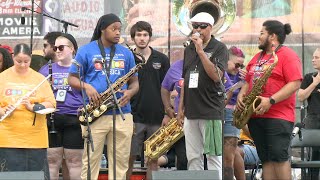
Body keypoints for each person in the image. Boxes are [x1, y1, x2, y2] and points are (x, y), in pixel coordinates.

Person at [68, 13, 139, 180]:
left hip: (122, 114)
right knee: (91, 161)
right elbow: (71, 78)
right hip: (94, 115)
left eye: (119, 30)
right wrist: (87, 86)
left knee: (120, 162)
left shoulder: (126, 53)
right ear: (102, 29)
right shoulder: (86, 51)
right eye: (113, 29)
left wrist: (130, 92)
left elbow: (135, 82)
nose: (117, 33)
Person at [236, 20, 303, 180]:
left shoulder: (287, 55)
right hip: (256, 117)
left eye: (262, 33)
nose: (259, 37)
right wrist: (241, 94)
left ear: (272, 36)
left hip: (278, 116)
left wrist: (270, 100)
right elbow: (248, 79)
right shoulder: (258, 57)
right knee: (265, 159)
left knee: (279, 158)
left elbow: (295, 83)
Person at [177, 12, 228, 179]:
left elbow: (216, 76)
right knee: (193, 157)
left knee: (213, 156)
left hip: (211, 111)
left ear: (211, 28)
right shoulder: (188, 49)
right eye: (195, 26)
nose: (198, 29)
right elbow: (185, 78)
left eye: (202, 26)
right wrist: (180, 108)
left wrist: (200, 51)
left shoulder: (219, 48)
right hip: (191, 111)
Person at [0, 43, 56, 180]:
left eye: (26, 61)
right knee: (10, 177)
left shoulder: (39, 79)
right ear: (13, 57)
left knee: (35, 176)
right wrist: (2, 110)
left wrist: (34, 107)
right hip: (8, 139)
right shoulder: (2, 77)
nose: (23, 65)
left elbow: (51, 104)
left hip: (35, 139)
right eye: (19, 61)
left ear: (31, 58)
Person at [126, 21, 170, 180]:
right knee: (128, 158)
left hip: (156, 117)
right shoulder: (127, 58)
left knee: (153, 160)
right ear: (133, 38)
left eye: (145, 35)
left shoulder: (162, 59)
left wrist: (167, 112)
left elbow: (168, 89)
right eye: (138, 35)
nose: (142, 38)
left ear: (150, 37)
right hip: (133, 117)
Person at [39, 33, 84, 180]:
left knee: (75, 162)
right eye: (55, 47)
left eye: (61, 47)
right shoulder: (46, 69)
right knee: (52, 162)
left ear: (72, 49)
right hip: (53, 119)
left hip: (75, 119)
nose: (57, 50)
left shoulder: (82, 68)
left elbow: (91, 92)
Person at [223, 46, 246, 180]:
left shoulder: (241, 75)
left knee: (229, 156)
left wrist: (247, 80)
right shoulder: (219, 70)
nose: (239, 68)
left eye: (241, 65)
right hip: (216, 113)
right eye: (236, 65)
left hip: (232, 113)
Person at [161, 59, 188, 170]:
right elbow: (164, 88)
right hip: (179, 121)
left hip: (201, 118)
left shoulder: (209, 64)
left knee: (202, 157)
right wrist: (167, 110)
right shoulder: (177, 66)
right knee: (183, 158)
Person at [297, 48, 320, 179]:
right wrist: (314, 84)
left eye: (317, 57)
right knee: (313, 156)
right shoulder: (309, 77)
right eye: (313, 57)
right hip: (313, 121)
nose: (313, 60)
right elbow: (300, 97)